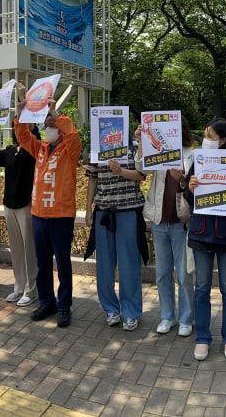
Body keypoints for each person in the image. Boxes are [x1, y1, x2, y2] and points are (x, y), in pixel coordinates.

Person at [183, 119, 226, 361]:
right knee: (202, 288)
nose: (206, 140)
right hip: (202, 234)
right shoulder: (198, 162)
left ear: (223, 140)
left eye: (210, 136)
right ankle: (202, 337)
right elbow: (188, 197)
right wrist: (190, 188)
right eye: (205, 135)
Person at [15, 97, 81, 328]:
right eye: (47, 124)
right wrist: (21, 115)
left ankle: (64, 306)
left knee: (62, 263)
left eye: (53, 124)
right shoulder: (41, 148)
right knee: (42, 263)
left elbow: (73, 135)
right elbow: (23, 137)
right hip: (39, 214)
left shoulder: (70, 149)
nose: (49, 128)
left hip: (61, 215)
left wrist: (55, 112)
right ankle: (46, 302)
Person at [138, 116, 195, 337]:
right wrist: (142, 143)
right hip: (159, 220)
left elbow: (196, 186)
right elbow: (141, 169)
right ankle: (167, 316)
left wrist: (182, 179)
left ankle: (186, 319)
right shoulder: (157, 149)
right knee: (162, 273)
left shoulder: (191, 154)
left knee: (183, 274)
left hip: (181, 221)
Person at [86, 134, 147, 330]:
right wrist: (88, 209)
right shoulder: (97, 146)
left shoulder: (135, 145)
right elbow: (92, 179)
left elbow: (141, 175)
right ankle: (111, 309)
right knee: (104, 264)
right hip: (103, 211)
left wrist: (120, 171)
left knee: (129, 264)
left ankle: (131, 312)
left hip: (128, 210)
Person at [0, 128, 38, 306]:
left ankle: (31, 289)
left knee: (29, 249)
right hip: (9, 204)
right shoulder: (10, 150)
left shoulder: (34, 149)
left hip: (26, 204)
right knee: (16, 248)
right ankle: (19, 286)